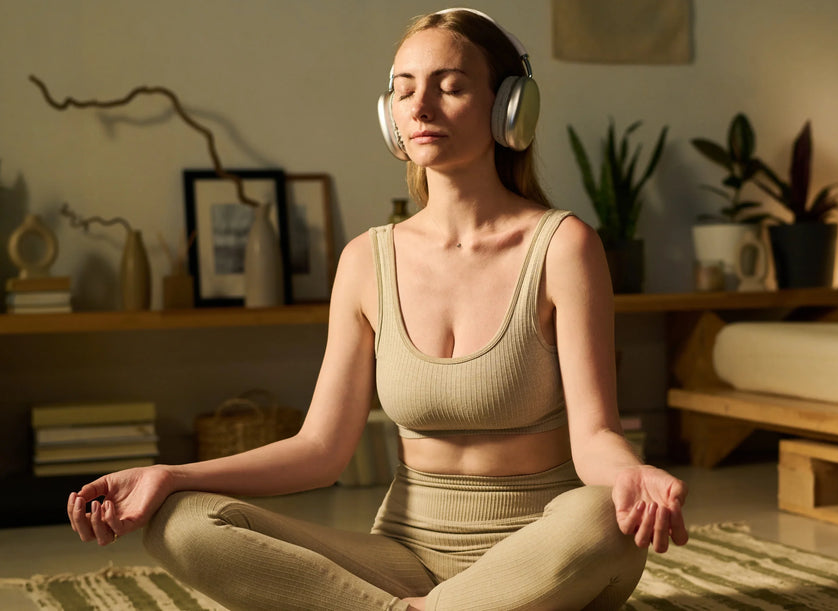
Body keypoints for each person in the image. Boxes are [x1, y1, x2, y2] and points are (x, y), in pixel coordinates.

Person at [65, 8, 688, 610]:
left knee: (604, 515)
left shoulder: (564, 246)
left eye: (450, 87)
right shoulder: (366, 259)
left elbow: (595, 438)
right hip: (403, 559)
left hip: (542, 557)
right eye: (404, 90)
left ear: (508, 108)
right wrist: (172, 475)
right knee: (180, 521)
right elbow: (320, 449)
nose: (421, 107)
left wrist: (632, 475)